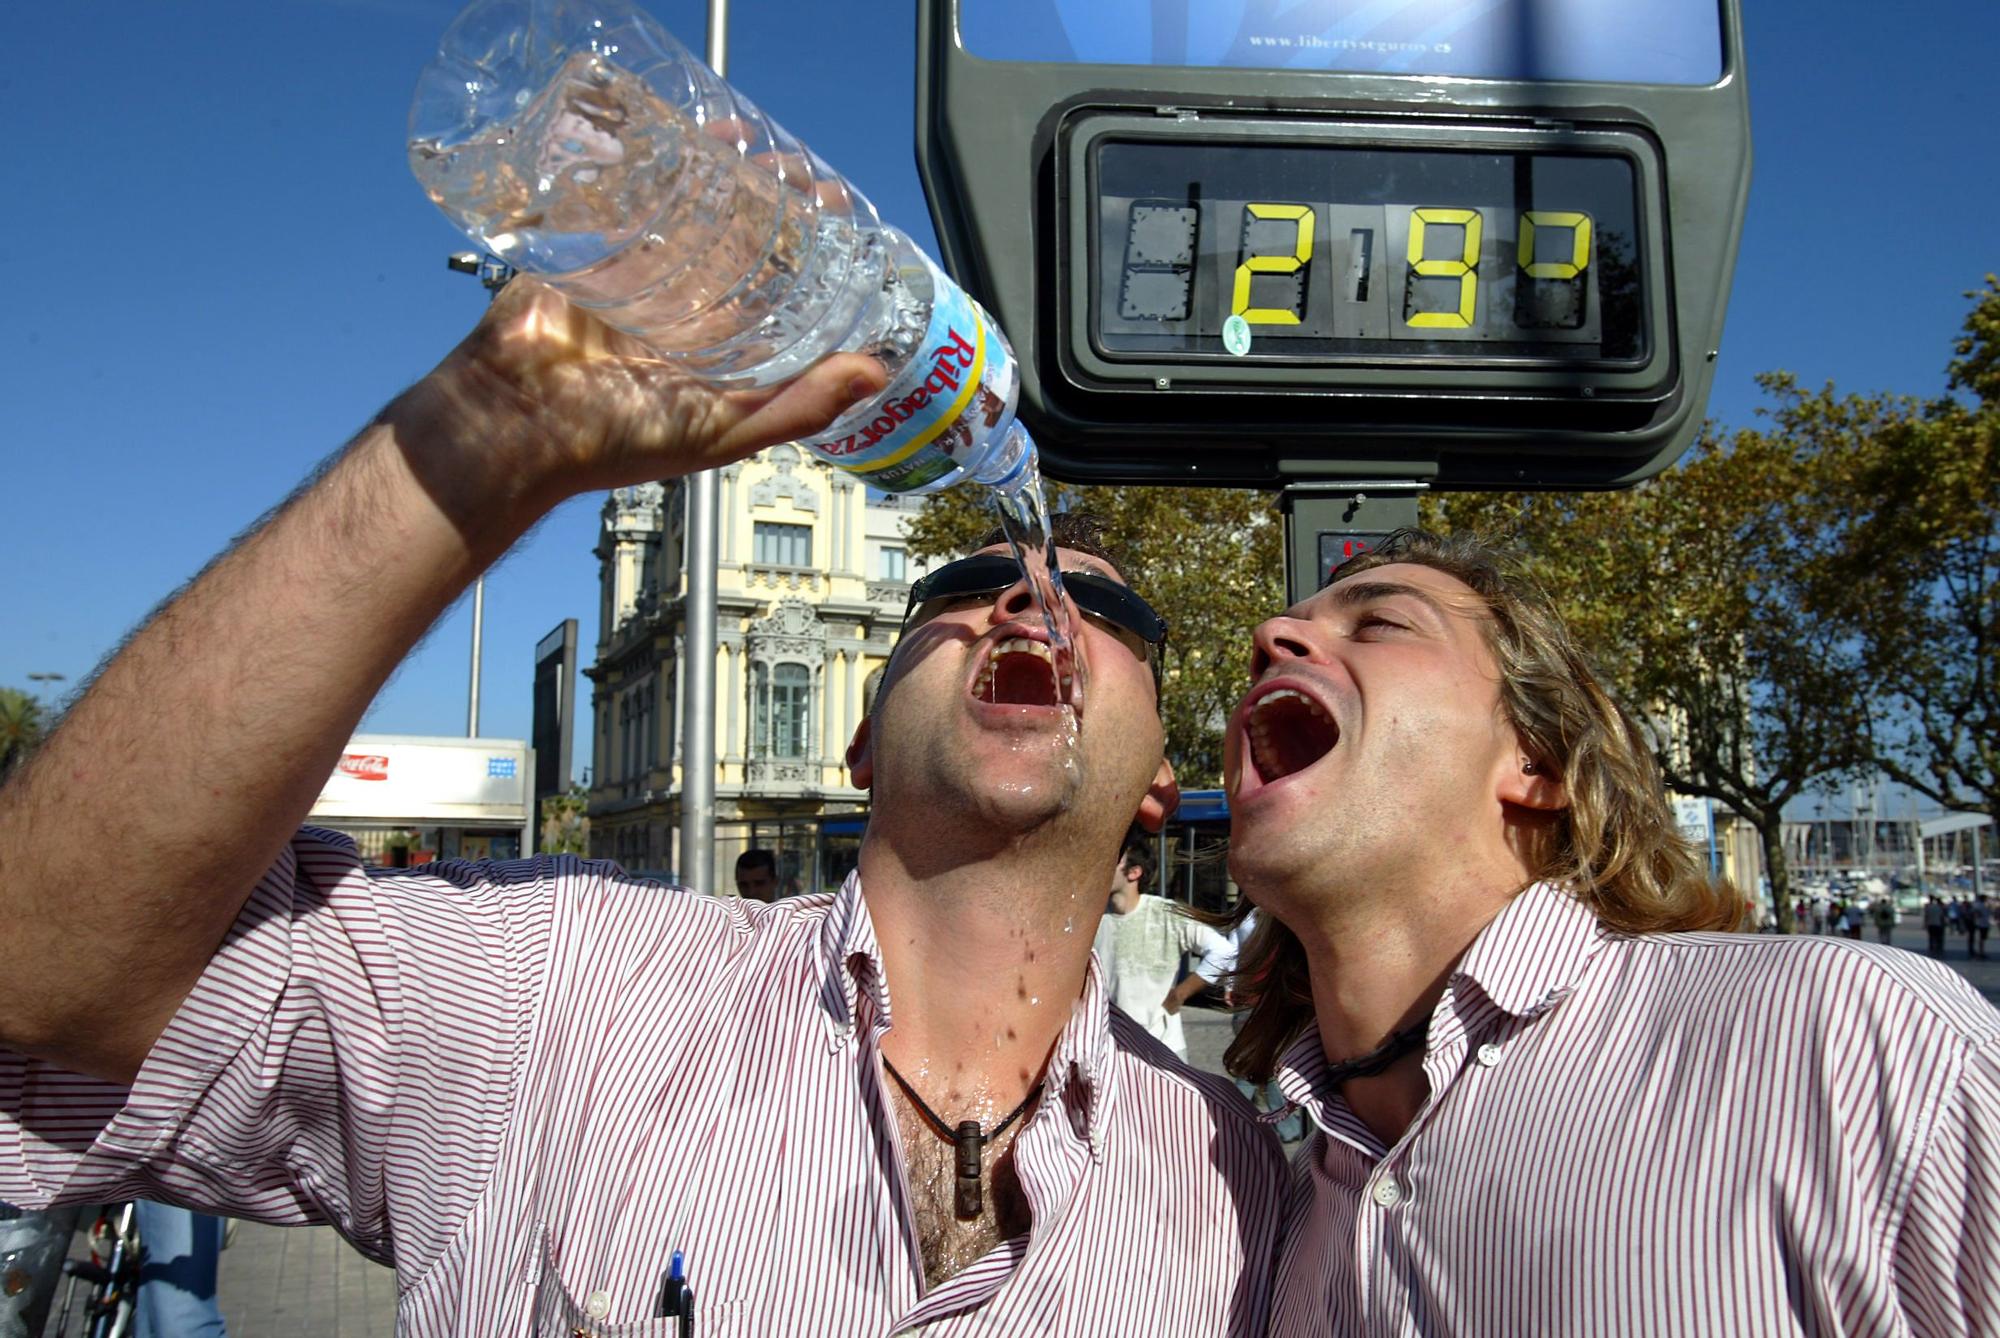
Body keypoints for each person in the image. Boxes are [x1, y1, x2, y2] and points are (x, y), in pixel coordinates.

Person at [0, 282, 1285, 1333]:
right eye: (956, 586)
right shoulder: (562, 987)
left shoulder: (1254, 1193)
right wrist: (485, 434)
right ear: (860, 744)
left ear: (1160, 784)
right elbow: (42, 965)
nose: (1026, 600)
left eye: (1104, 612)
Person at [1219, 530, 1998, 1334]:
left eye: (1382, 624)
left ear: (1539, 763)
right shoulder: (1271, 1222)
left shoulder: (1846, 1039)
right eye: (1274, 635)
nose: (1267, 640)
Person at [1094, 830, 1233, 1061]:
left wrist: (1180, 994)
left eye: (1114, 861)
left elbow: (1224, 951)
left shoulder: (1166, 914)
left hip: (1164, 1048)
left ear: (1134, 872)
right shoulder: (1094, 919)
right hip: (1111, 1052)